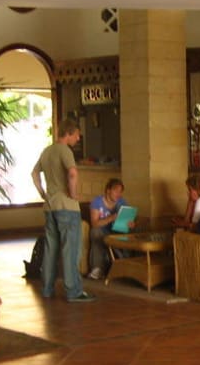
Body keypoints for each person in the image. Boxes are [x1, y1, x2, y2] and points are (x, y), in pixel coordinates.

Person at [31, 118, 95, 302]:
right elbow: (73, 173)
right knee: (70, 249)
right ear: (69, 133)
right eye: (77, 135)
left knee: (51, 249)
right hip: (67, 207)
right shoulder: (65, 151)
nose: (78, 138)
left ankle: (47, 289)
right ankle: (73, 291)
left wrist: (43, 193)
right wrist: (73, 194)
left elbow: (34, 174)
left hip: (50, 206)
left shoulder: (47, 151)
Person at [87, 177, 130, 280]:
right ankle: (97, 269)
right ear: (108, 190)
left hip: (117, 231)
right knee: (96, 233)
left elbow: (126, 221)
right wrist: (111, 218)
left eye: (120, 191)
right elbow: (94, 224)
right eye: (116, 191)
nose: (118, 194)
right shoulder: (97, 202)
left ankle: (126, 266)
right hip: (102, 231)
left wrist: (130, 224)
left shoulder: (122, 202)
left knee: (131, 232)